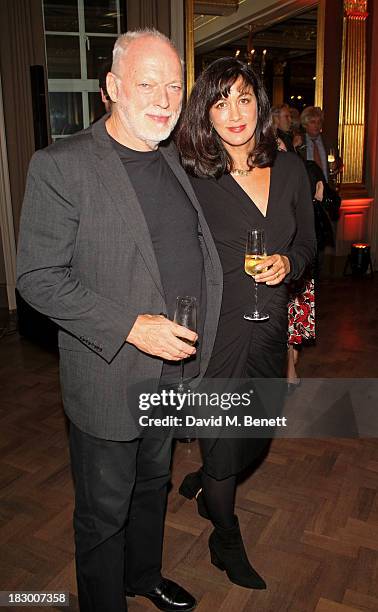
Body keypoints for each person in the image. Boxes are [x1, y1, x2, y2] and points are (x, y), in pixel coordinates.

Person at [17, 29, 223, 612]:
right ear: (112, 87)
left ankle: (144, 575)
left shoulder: (172, 158)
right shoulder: (62, 165)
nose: (163, 99)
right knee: (104, 511)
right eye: (147, 83)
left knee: (153, 486)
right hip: (111, 376)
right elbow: (36, 277)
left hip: (173, 372)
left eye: (175, 86)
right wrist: (133, 325)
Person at [176, 57, 316, 590]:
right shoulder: (191, 175)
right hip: (217, 328)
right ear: (205, 113)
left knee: (256, 428)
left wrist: (291, 264)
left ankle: (210, 477)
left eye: (243, 98)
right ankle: (224, 536)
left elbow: (305, 241)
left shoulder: (290, 169)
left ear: (259, 105)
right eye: (219, 101)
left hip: (270, 321)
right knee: (223, 438)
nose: (233, 113)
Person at [299, 106, 341, 181]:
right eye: (313, 122)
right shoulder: (300, 142)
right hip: (307, 188)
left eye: (319, 122)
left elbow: (338, 160)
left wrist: (336, 165)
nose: (317, 125)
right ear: (305, 124)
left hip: (326, 187)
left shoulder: (328, 141)